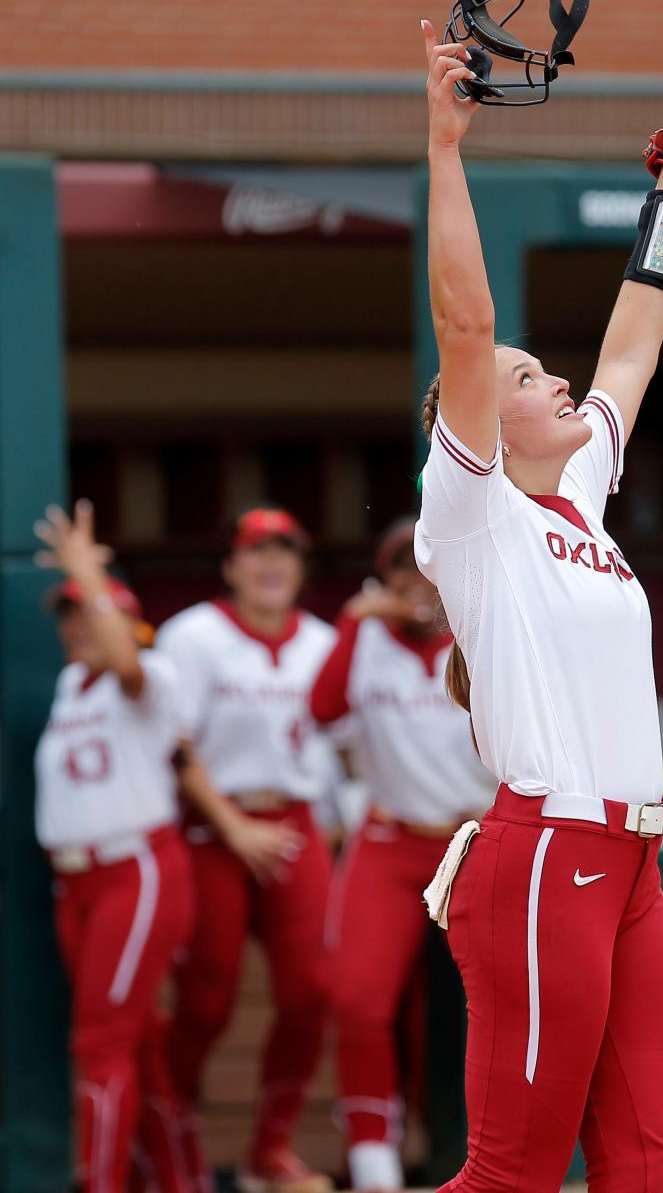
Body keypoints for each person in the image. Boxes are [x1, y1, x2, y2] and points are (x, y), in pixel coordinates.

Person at [410, 20, 663, 1193]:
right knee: (511, 1176)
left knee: (646, 1165)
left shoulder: (579, 486)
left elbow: (637, 335)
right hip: (544, 852)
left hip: (631, 860)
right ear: (485, 414)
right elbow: (468, 328)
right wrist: (445, 149)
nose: (562, 382)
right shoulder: (472, 511)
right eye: (534, 379)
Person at [154, 507, 339, 1193]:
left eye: (285, 552)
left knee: (312, 989)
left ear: (300, 567)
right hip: (213, 824)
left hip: (293, 820)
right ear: (232, 566)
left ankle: (271, 1151)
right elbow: (174, 743)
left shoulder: (321, 641)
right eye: (258, 551)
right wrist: (232, 826)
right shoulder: (193, 636)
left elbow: (343, 736)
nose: (272, 564)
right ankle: (166, 1142)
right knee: (205, 999)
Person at [310, 518, 495, 1193]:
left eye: (429, 570)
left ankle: (481, 1155)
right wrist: (354, 618)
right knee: (358, 999)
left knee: (486, 1009)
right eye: (402, 572)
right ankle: (373, 1164)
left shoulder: (482, 628)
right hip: (390, 839)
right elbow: (321, 708)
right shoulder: (365, 637)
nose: (417, 586)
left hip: (473, 840)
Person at [33, 501, 194, 1193]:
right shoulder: (71, 683)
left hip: (137, 869)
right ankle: (181, 1179)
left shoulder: (152, 675)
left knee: (99, 1041)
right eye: (67, 613)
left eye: (87, 611)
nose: (76, 625)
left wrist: (89, 574)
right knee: (137, 1041)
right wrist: (83, 584)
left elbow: (127, 659)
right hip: (78, 883)